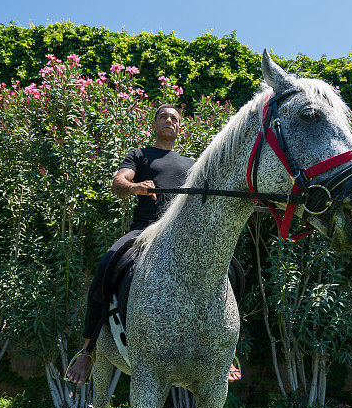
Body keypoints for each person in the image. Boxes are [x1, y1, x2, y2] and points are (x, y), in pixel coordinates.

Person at [65, 104, 242, 386]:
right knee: (107, 265)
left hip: (184, 236)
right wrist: (134, 187)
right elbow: (119, 182)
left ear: (180, 128)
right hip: (143, 231)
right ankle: (88, 350)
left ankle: (226, 350)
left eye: (175, 118)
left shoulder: (193, 164)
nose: (169, 121)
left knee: (233, 270)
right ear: (154, 124)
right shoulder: (139, 154)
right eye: (164, 117)